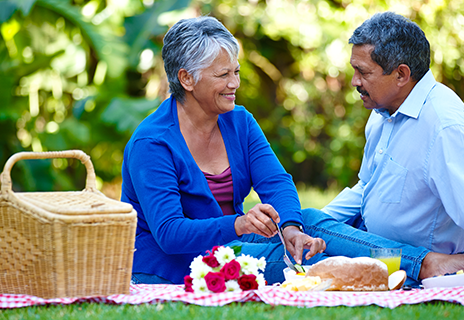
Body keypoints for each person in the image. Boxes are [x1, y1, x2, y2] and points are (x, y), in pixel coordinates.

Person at [121, 16, 462, 286]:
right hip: (182, 264)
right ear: (187, 79)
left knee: (309, 228)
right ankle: (425, 265)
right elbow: (169, 233)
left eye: (236, 72)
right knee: (317, 257)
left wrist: (292, 228)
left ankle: (419, 265)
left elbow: (277, 182)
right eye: (223, 75)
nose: (235, 84)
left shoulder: (237, 121)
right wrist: (239, 224)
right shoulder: (152, 143)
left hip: (231, 248)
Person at [321, 12, 464, 282]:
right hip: (369, 240)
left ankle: (428, 264)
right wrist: (322, 222)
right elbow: (366, 186)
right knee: (300, 225)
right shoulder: (382, 112)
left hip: (406, 261)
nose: (354, 82)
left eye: (363, 72)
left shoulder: (444, 126)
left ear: (401, 74)